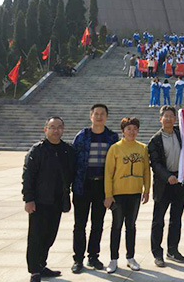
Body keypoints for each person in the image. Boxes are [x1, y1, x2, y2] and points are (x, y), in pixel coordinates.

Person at [23, 117, 75, 282]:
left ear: (63, 130)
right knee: (36, 236)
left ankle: (41, 265)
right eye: (52, 127)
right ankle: (34, 271)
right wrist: (28, 199)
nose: (56, 130)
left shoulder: (67, 150)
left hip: (57, 201)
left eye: (59, 127)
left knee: (50, 236)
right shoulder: (37, 150)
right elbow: (28, 176)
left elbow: (72, 172)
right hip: (39, 201)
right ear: (45, 129)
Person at [71, 104, 120, 274]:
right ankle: (78, 259)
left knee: (98, 223)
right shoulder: (82, 136)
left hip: (102, 186)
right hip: (83, 185)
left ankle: (93, 256)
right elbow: (73, 160)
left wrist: (111, 191)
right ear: (91, 116)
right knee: (80, 224)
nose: (99, 117)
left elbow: (116, 164)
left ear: (106, 117)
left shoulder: (112, 137)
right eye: (96, 114)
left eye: (102, 114)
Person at [104, 117, 151, 273]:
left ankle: (130, 257)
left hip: (135, 193)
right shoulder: (115, 148)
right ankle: (113, 259)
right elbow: (108, 173)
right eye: (129, 129)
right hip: (118, 194)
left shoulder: (142, 148)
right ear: (123, 131)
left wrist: (146, 190)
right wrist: (108, 195)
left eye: (135, 129)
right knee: (117, 226)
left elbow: (146, 171)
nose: (132, 132)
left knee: (131, 226)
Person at [149, 106, 184, 267]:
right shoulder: (155, 140)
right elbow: (155, 164)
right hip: (163, 184)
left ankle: (172, 250)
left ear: (175, 119)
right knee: (158, 220)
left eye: (171, 116)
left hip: (181, 182)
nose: (168, 119)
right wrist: (168, 176)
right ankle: (157, 253)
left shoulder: (182, 135)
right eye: (165, 116)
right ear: (160, 119)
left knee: (176, 218)